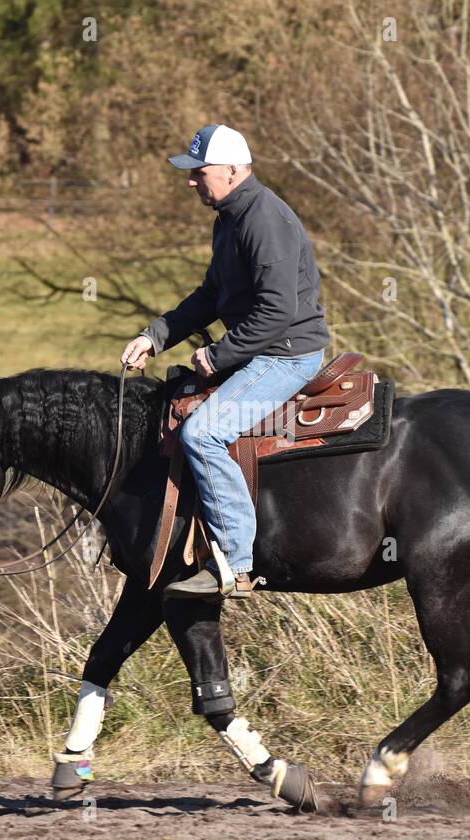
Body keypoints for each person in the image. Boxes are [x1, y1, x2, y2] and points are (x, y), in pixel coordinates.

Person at [121, 124, 329, 599]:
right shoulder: (230, 218)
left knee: (203, 433)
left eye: (200, 172)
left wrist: (219, 355)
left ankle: (235, 564)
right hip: (260, 350)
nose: (191, 181)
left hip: (286, 356)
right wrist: (155, 336)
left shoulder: (264, 220)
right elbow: (211, 295)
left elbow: (278, 311)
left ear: (233, 170)